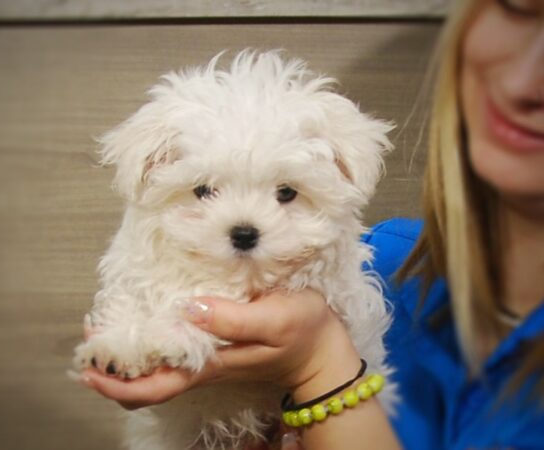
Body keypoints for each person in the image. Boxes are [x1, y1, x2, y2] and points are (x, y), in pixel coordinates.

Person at [78, 0, 544, 448]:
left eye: (284, 194)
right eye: (204, 191)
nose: (245, 226)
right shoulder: (392, 259)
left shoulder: (353, 278)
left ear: (346, 171)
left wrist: (317, 360)